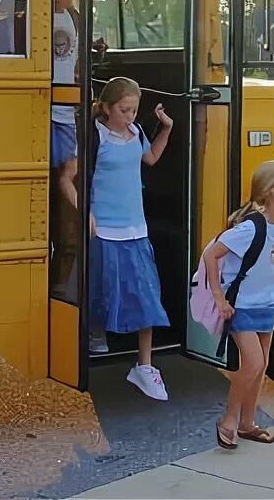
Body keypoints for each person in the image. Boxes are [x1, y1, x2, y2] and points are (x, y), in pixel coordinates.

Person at [202, 160, 274, 449]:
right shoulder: (249, 228)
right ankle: (229, 420)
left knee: (261, 366)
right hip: (243, 306)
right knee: (253, 363)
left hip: (269, 302)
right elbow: (212, 255)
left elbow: (273, 252)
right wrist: (220, 299)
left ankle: (248, 423)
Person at [88, 76, 174, 400]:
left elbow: (150, 159)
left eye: (134, 110)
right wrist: (86, 212)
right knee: (101, 289)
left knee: (145, 295)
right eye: (124, 110)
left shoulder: (136, 132)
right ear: (107, 107)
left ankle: (144, 365)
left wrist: (165, 127)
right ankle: (96, 335)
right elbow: (77, 176)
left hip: (135, 228)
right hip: (104, 228)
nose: (130, 116)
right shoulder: (96, 136)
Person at [48, 0, 81, 302]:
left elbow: (71, 61)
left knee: (66, 186)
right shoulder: (34, 17)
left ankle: (62, 277)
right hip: (47, 111)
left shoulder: (73, 17)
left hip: (65, 113)